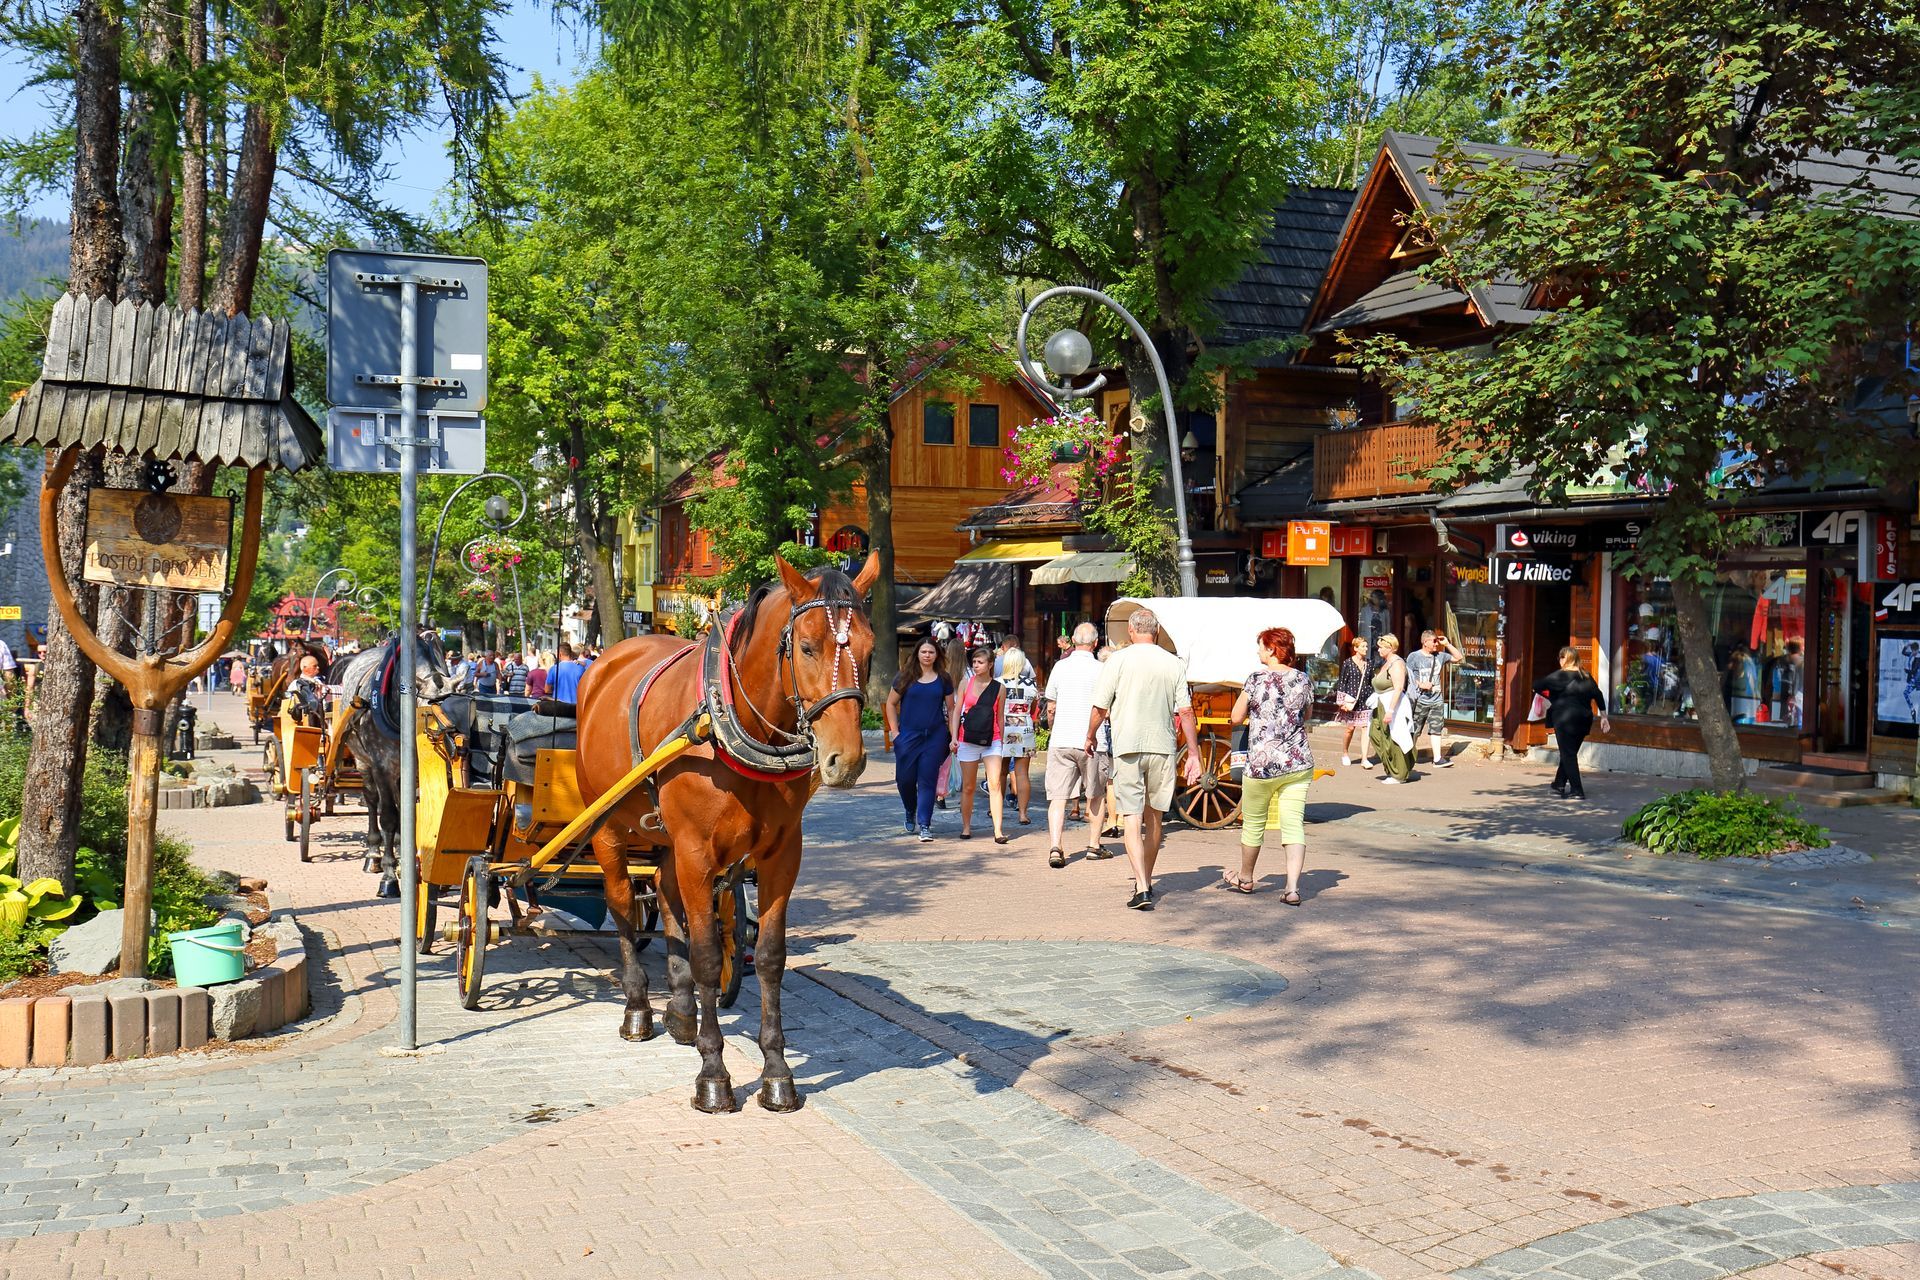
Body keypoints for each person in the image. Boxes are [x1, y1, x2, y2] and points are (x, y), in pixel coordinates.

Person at [1089, 609, 1203, 911]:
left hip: (1128, 746)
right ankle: (1147, 879)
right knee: (1154, 819)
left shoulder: (1117, 661)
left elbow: (1100, 708)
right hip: (1162, 746)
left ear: (1130, 630)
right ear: (1157, 632)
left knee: (1131, 817)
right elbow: (1186, 711)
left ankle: (1141, 886)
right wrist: (1193, 753)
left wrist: (1090, 736)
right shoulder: (1173, 663)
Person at [1229, 626, 1314, 902]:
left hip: (1262, 765)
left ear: (1271, 649)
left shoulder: (1255, 679)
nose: (1258, 651)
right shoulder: (1303, 679)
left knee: (1254, 824)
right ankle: (1291, 888)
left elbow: (1235, 717)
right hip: (1297, 762)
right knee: (1293, 826)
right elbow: (1307, 714)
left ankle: (1245, 878)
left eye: (1261, 646)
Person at [1044, 622, 1110, 869]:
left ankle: (1055, 846)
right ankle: (1094, 845)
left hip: (1062, 739)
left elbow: (1051, 705)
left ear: (1072, 640)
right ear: (1095, 643)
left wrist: (1052, 729)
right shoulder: (1101, 669)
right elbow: (1106, 707)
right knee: (1095, 794)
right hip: (1093, 741)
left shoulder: (1060, 667)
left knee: (1058, 797)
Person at [885, 638, 953, 842]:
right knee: (904, 780)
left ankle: (925, 824)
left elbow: (951, 709)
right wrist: (895, 733)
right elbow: (890, 704)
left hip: (935, 736)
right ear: (917, 654)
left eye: (931, 652)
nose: (927, 655)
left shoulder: (944, 679)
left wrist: (954, 736)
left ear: (937, 655)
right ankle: (909, 809)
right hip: (908, 736)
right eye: (923, 652)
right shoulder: (905, 676)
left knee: (927, 780)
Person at [947, 646, 1008, 842]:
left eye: (980, 662)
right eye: (974, 662)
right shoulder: (966, 683)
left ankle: (998, 830)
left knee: (995, 783)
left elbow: (999, 716)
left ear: (990, 665)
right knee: (969, 786)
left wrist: (1002, 740)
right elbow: (957, 711)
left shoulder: (999, 688)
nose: (976, 665)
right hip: (967, 738)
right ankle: (966, 827)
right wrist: (954, 737)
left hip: (992, 739)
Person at [1534, 646, 1609, 800]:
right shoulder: (1586, 676)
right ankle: (1559, 784)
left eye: (1560, 658)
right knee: (1570, 752)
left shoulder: (1558, 676)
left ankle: (1577, 790)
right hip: (1584, 719)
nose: (1559, 661)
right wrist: (1604, 717)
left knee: (1568, 754)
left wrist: (1551, 696)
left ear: (1565, 658)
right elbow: (1598, 695)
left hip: (1564, 719)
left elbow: (1537, 686)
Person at [1406, 630, 1462, 767]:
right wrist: (1421, 684)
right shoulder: (1414, 657)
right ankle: (1407, 755)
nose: (1437, 644)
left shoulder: (1440, 656)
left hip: (1437, 699)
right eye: (1434, 641)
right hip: (1420, 699)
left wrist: (1447, 644)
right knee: (1415, 729)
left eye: (1437, 641)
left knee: (1436, 728)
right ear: (1425, 642)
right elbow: (1408, 677)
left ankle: (1437, 758)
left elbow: (1458, 657)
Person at [999, 649, 1038, 826]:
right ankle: (1022, 813)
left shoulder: (997, 682)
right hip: (1025, 729)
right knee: (1022, 774)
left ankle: (995, 809)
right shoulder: (1031, 684)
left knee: (1000, 771)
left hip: (1003, 729)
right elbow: (1033, 708)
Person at [1367, 634, 1413, 784]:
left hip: (1393, 705)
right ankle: (1391, 766)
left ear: (1390, 648)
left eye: (1381, 647)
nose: (1378, 649)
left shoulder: (1397, 664)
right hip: (1380, 703)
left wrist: (1390, 711)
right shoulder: (1386, 662)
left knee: (1394, 737)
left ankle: (1398, 773)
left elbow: (1398, 687)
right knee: (1376, 734)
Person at [1331, 636, 1374, 767]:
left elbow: (1371, 682)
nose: (1366, 649)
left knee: (1366, 728)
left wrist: (1373, 698)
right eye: (1363, 646)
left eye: (1366, 646)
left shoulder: (1369, 663)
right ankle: (1345, 752)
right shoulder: (1348, 663)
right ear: (1355, 648)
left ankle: (1364, 758)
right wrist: (1341, 702)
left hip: (1365, 699)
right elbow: (1342, 682)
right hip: (1351, 700)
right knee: (1350, 728)